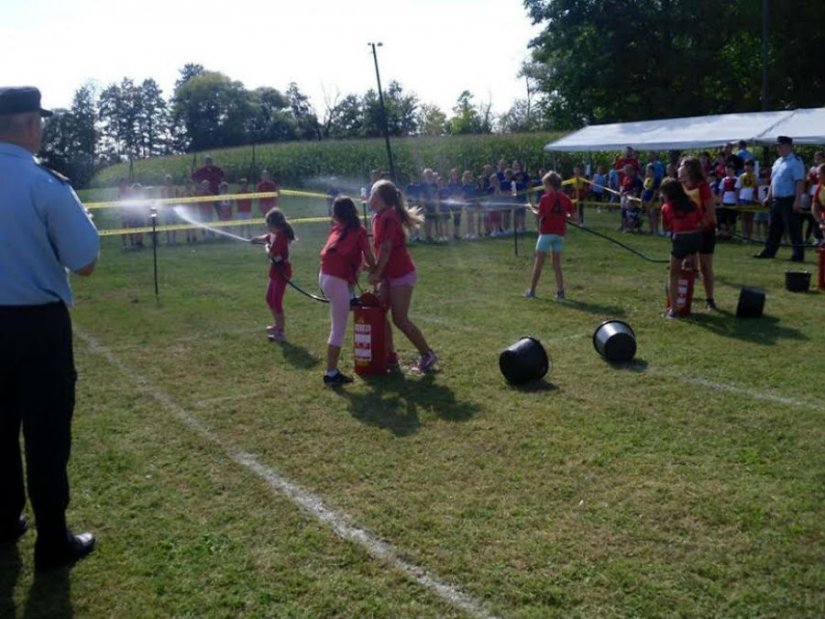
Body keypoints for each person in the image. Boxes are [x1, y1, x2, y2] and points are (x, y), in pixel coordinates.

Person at [0, 86, 99, 571]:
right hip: (37, 327)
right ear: (30, 126)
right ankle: (52, 540)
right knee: (46, 435)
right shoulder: (46, 185)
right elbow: (85, 262)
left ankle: (3, 520)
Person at [367, 180, 438, 373]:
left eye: (374, 194)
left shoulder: (389, 217)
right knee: (378, 313)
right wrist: (373, 270)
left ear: (382, 199)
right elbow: (378, 249)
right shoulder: (378, 217)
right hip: (388, 276)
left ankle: (427, 355)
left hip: (401, 275)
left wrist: (376, 273)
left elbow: (387, 249)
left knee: (400, 319)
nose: (370, 198)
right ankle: (390, 358)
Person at [319, 196, 376, 386]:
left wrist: (363, 266)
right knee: (338, 329)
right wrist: (376, 269)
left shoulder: (336, 229)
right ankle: (331, 373)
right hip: (337, 281)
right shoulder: (358, 231)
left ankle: (350, 296)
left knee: (339, 320)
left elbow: (349, 257)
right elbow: (369, 257)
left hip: (324, 276)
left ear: (336, 214)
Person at [524, 171, 577, 300]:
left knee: (539, 263)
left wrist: (530, 208)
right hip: (559, 234)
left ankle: (532, 291)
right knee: (556, 264)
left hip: (546, 233)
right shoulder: (565, 198)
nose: (544, 188)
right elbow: (574, 217)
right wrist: (565, 216)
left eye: (545, 185)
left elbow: (539, 213)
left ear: (549, 185)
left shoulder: (544, 198)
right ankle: (560, 292)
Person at [754, 136, 806, 262]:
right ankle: (769, 251)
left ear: (787, 146)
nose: (778, 148)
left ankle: (798, 255)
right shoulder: (778, 162)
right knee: (774, 228)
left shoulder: (795, 161)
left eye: (780, 145)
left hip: (789, 199)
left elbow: (799, 182)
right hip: (777, 199)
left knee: (793, 228)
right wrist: (768, 197)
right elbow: (773, 181)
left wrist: (798, 200)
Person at [659, 178, 703, 318]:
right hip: (696, 238)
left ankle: (673, 309)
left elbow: (665, 227)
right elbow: (700, 221)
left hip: (680, 239)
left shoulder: (667, 207)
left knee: (673, 273)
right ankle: (694, 268)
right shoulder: (692, 203)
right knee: (689, 256)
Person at [679, 156, 718, 309]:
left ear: (689, 169)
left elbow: (710, 212)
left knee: (705, 266)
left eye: (681, 165)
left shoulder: (702, 187)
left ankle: (710, 300)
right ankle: (686, 295)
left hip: (705, 231)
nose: (679, 168)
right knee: (686, 264)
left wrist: (700, 225)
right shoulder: (679, 186)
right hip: (687, 232)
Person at [250, 208, 295, 342]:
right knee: (269, 298)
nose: (267, 227)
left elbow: (271, 253)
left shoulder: (281, 237)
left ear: (275, 225)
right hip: (275, 271)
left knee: (276, 301)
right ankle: (277, 325)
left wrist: (266, 247)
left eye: (268, 224)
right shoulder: (274, 234)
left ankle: (281, 332)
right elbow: (267, 237)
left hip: (282, 272)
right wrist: (256, 239)